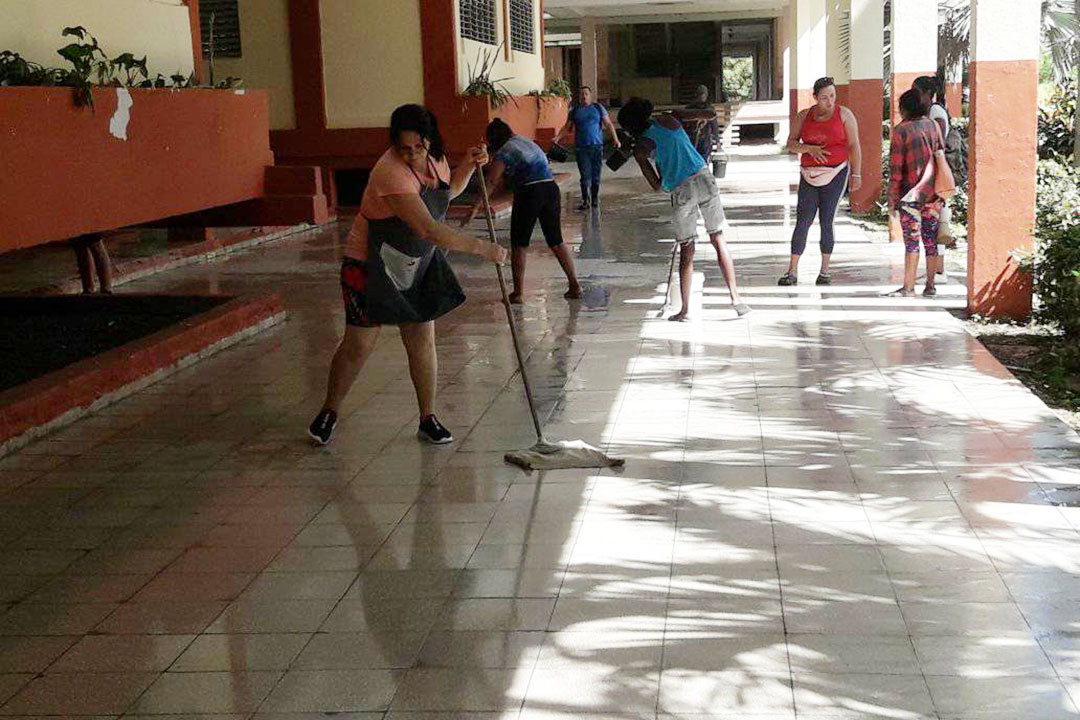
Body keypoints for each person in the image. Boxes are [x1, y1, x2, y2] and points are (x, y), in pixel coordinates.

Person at [308, 104, 508, 446]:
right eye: (405, 149)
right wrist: (480, 249)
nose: (413, 155)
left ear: (429, 141)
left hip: (415, 264)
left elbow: (446, 193)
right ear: (394, 145)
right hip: (369, 265)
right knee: (359, 344)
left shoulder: (435, 158)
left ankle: (427, 418)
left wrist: (466, 167)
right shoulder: (390, 173)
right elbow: (428, 227)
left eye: (419, 147)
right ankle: (329, 411)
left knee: (421, 339)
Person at [617, 96, 750, 321]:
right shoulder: (669, 118)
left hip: (682, 190)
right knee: (718, 238)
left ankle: (685, 310)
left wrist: (643, 157)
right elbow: (709, 114)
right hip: (705, 178)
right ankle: (736, 300)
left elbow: (657, 185)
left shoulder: (642, 147)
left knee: (687, 249)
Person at [470, 119, 582, 304]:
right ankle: (574, 285)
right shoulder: (527, 142)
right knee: (556, 240)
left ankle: (518, 293)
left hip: (530, 192)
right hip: (550, 189)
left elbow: (492, 181)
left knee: (520, 244)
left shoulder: (505, 150)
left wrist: (475, 206)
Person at [779, 76, 863, 287]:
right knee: (803, 220)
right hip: (809, 173)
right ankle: (792, 270)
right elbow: (791, 143)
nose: (829, 101)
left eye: (832, 96)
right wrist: (809, 149)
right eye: (824, 97)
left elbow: (854, 145)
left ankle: (825, 270)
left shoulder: (844, 115)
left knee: (827, 220)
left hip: (836, 172)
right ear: (815, 97)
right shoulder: (804, 116)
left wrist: (857, 174)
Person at [887, 89, 945, 298]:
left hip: (910, 196)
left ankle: (908, 287)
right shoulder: (934, 126)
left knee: (912, 242)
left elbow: (896, 169)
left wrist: (892, 199)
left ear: (904, 108)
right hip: (933, 194)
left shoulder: (901, 130)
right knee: (931, 241)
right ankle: (930, 285)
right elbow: (941, 155)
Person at [552, 86, 620, 210]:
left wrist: (615, 139)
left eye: (586, 94)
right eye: (582, 94)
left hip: (596, 146)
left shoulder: (598, 108)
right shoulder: (575, 111)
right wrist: (557, 138)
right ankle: (585, 200)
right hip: (581, 148)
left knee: (596, 174)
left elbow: (608, 124)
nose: (584, 96)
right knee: (584, 175)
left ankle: (594, 199)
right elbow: (567, 127)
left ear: (590, 95)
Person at [913, 75, 951, 282]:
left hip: (937, 178)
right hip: (930, 175)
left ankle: (938, 270)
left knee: (939, 224)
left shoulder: (936, 113)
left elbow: (936, 144)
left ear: (928, 94)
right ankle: (934, 269)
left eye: (917, 92)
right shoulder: (928, 112)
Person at [684, 84, 722, 162]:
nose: (701, 97)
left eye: (703, 94)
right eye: (700, 94)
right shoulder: (689, 109)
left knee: (701, 159)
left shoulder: (709, 109)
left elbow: (714, 126)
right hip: (693, 138)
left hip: (704, 138)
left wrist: (717, 141)